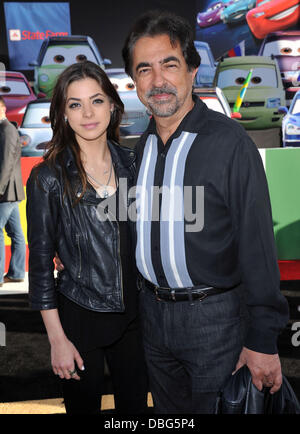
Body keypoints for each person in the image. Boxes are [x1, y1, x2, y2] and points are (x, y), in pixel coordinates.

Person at [122, 10, 289, 414]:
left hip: (216, 323)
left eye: (169, 64)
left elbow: (258, 246)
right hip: (153, 320)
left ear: (193, 71)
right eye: (145, 69)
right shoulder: (139, 149)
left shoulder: (230, 143)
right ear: (134, 80)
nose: (158, 80)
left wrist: (263, 339)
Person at [26, 61, 148, 415]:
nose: (88, 113)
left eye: (96, 100)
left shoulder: (136, 164)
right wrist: (57, 340)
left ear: (113, 104)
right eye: (75, 104)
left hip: (136, 319)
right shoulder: (48, 177)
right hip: (78, 319)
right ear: (63, 114)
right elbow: (39, 266)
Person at [0, 96, 26, 287]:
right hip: (9, 191)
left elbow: (7, 163)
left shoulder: (7, 130)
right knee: (15, 233)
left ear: (2, 108)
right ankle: (16, 273)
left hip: (5, 191)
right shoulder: (5, 130)